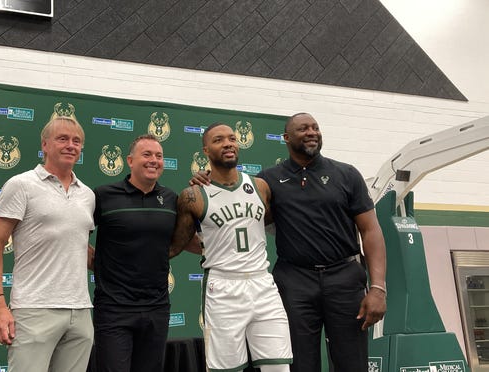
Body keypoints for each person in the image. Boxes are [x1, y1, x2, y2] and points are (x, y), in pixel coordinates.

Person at [192, 113, 387, 372]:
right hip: (294, 281)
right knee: (298, 365)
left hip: (344, 278)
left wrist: (378, 288)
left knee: (352, 363)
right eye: (303, 129)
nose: (311, 132)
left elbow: (371, 230)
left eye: (315, 128)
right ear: (285, 138)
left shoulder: (346, 174)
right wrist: (205, 179)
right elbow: (235, 206)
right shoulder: (266, 181)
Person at [171, 123, 293, 372]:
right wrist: (210, 247)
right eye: (218, 140)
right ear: (206, 150)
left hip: (263, 283)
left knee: (279, 368)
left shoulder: (260, 187)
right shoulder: (193, 196)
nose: (227, 143)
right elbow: (177, 245)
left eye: (232, 138)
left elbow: (264, 223)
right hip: (223, 287)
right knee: (227, 369)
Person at [0, 116, 95, 372]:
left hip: (80, 312)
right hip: (33, 310)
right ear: (45, 145)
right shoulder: (21, 185)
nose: (70, 145)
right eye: (62, 138)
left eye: (76, 141)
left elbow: (80, 248)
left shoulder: (87, 195)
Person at [92, 134, 198, 372]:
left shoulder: (172, 199)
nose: (154, 160)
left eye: (159, 156)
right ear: (130, 160)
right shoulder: (104, 195)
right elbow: (75, 234)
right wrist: (95, 262)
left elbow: (187, 239)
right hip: (113, 309)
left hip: (156, 308)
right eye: (147, 154)